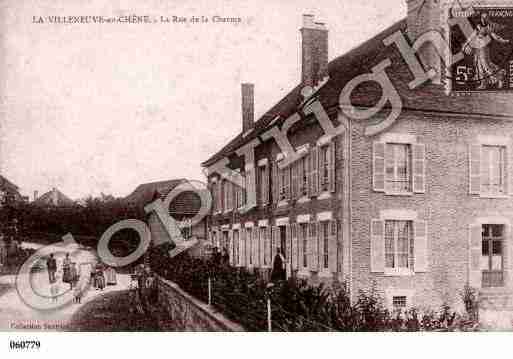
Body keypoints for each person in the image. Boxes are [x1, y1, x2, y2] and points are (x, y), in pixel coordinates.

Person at [463, 12, 510, 89]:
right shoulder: (478, 27)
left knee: (486, 66)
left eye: (485, 18)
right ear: (481, 18)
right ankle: (483, 84)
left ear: (488, 19)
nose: (484, 19)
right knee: (479, 67)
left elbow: (496, 37)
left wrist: (504, 41)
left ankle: (499, 79)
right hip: (477, 49)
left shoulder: (488, 28)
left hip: (483, 49)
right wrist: (465, 44)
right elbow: (471, 37)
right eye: (482, 18)